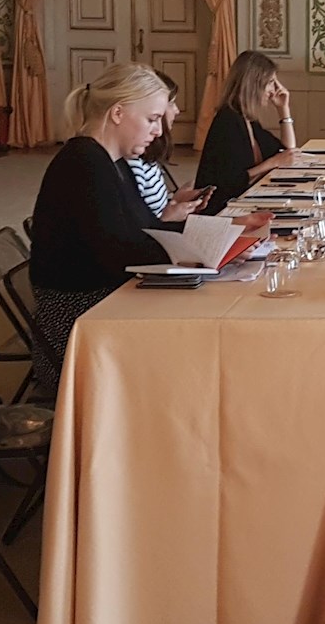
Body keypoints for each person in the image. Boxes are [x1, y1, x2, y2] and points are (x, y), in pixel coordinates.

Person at [25, 63, 178, 389]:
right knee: (189, 344)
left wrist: (216, 233)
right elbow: (120, 254)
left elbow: (147, 229)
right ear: (118, 113)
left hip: (103, 305)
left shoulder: (111, 162)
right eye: (152, 119)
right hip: (78, 328)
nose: (158, 131)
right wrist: (198, 247)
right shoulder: (83, 163)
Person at [195, 51, 300, 212]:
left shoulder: (247, 119)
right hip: (221, 211)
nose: (273, 90)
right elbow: (230, 182)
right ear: (254, 84)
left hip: (241, 203)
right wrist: (273, 163)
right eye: (270, 82)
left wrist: (283, 109)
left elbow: (287, 152)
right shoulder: (228, 121)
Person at [127, 71, 210, 223]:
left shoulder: (147, 158)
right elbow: (139, 227)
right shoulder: (133, 164)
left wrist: (177, 200)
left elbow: (153, 209)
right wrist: (168, 217)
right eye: (171, 103)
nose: (177, 110)